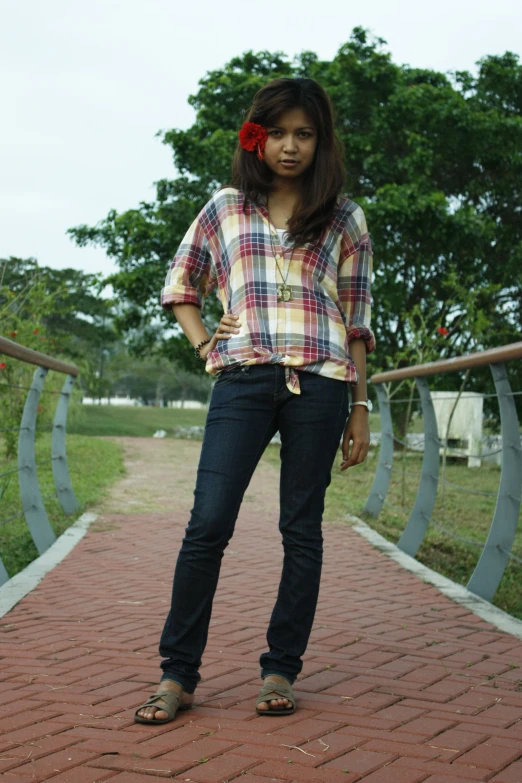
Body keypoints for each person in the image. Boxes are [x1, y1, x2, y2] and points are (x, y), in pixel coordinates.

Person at [135, 76, 375, 724]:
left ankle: (280, 667)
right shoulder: (225, 207)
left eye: (304, 133)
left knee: (301, 530)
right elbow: (182, 284)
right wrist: (205, 345)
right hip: (242, 376)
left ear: (320, 141)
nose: (290, 146)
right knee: (208, 521)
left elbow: (355, 320)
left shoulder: (345, 216)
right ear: (256, 137)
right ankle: (177, 674)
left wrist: (360, 407)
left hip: (322, 382)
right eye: (278, 133)